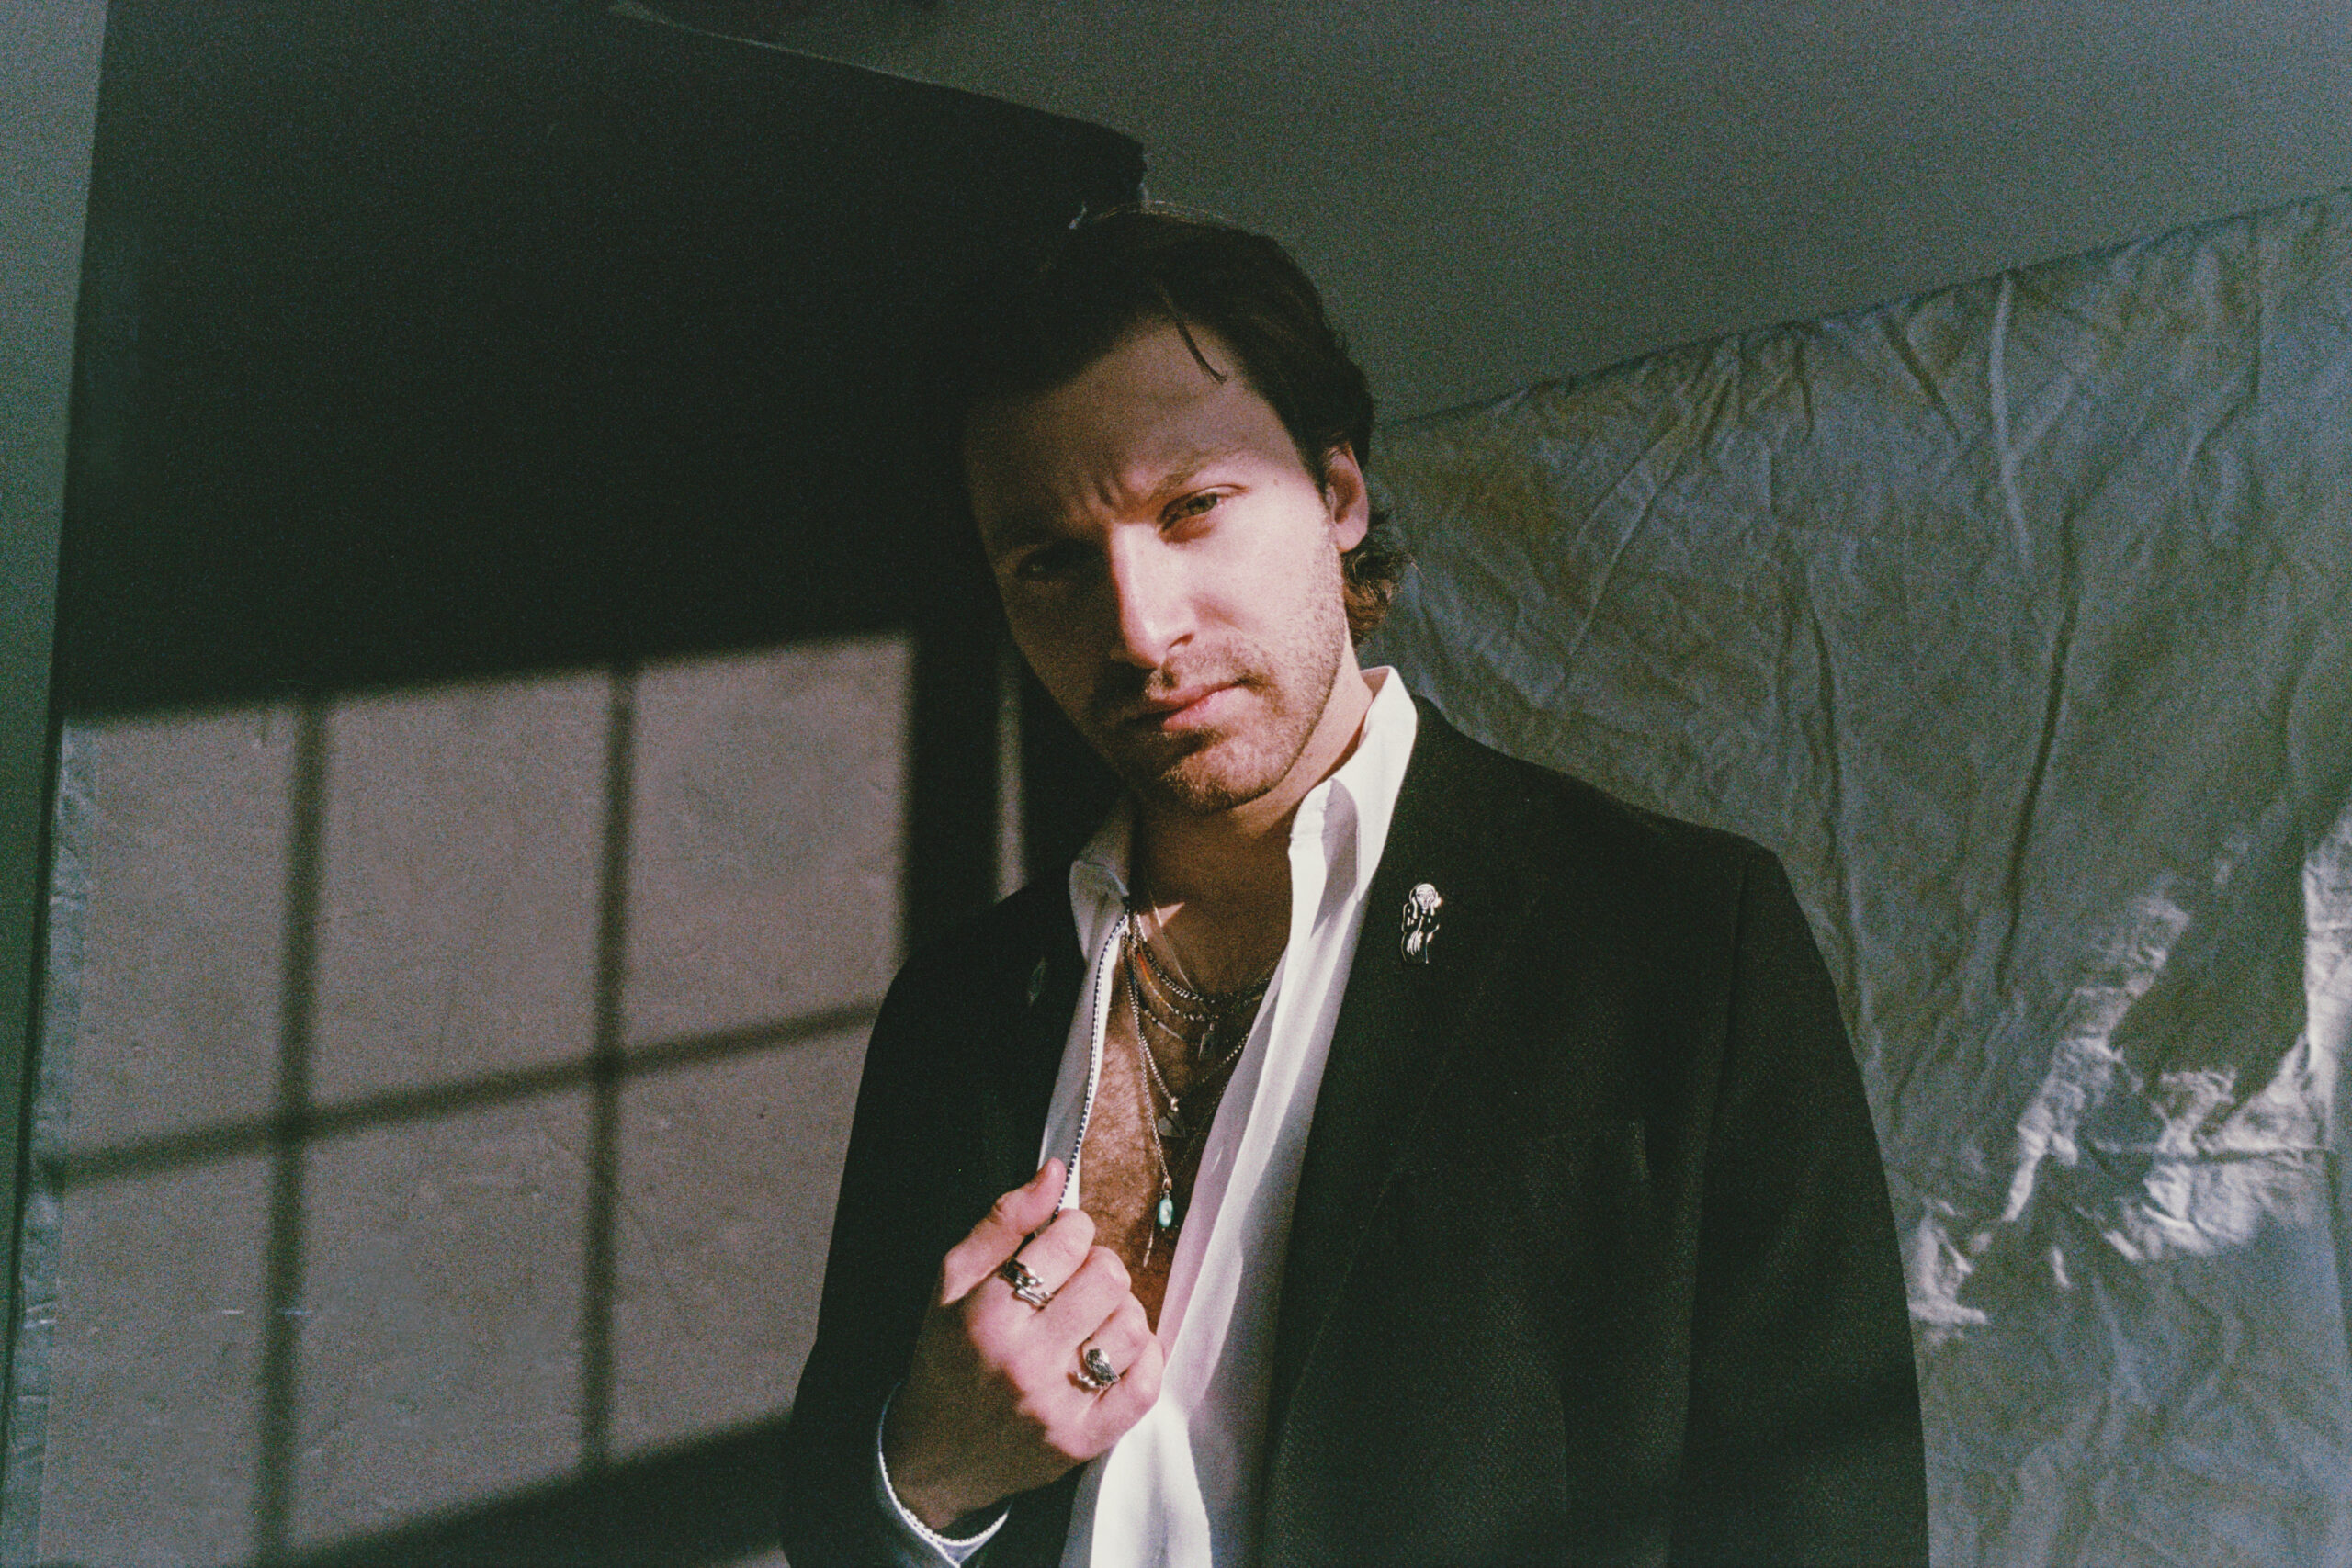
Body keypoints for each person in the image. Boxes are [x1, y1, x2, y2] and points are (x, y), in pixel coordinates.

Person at [778, 209, 1928, 1567]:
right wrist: (927, 1476)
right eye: (1052, 564)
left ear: (1338, 496)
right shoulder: (956, 1009)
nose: (1139, 629)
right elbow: (836, 1523)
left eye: (1192, 508)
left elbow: (1825, 1524)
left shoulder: (1675, 936)